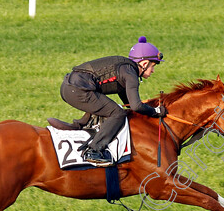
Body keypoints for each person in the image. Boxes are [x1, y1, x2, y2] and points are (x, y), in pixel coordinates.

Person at [59, 36, 167, 166]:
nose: (153, 71)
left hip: (69, 87)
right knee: (117, 113)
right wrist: (156, 111)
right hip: (77, 89)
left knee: (109, 107)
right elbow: (136, 106)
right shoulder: (130, 74)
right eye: (153, 66)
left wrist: (143, 108)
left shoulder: (125, 68)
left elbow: (129, 104)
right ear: (144, 64)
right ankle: (94, 150)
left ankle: (81, 126)